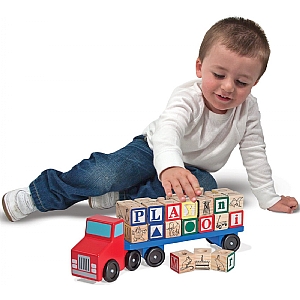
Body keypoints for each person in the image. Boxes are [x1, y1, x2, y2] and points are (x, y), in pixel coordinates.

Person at [2, 17, 298, 222]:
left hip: (193, 167)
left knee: (204, 188)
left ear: (255, 82)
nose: (228, 87)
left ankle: (123, 196)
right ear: (199, 67)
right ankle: (38, 195)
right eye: (218, 75)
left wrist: (267, 197)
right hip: (152, 149)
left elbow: (255, 153)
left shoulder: (249, 111)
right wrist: (169, 165)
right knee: (104, 174)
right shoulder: (187, 97)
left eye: (242, 82)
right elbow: (169, 131)